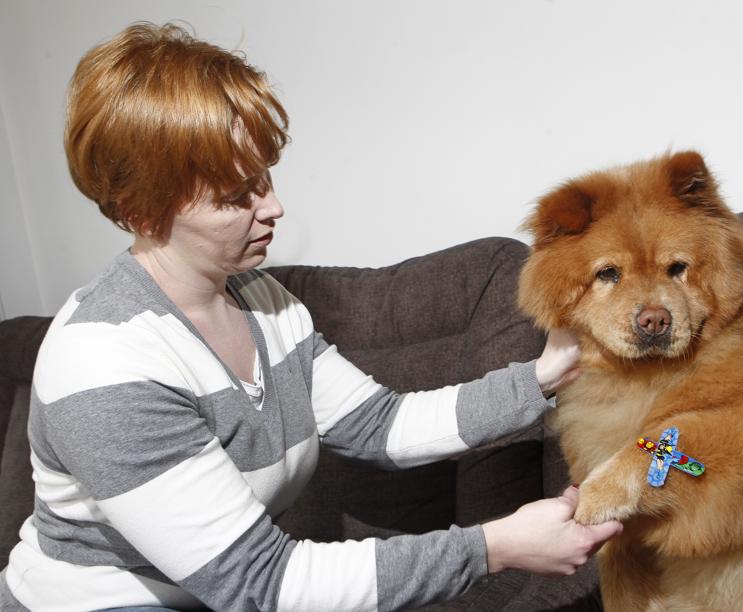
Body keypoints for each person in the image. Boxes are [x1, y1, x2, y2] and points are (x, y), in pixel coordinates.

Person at [0, 22, 622, 611]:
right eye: (235, 196)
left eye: (265, 178)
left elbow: (381, 425)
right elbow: (259, 583)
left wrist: (546, 373)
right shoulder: (105, 363)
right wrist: (495, 546)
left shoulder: (264, 302)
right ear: (142, 211)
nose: (273, 207)